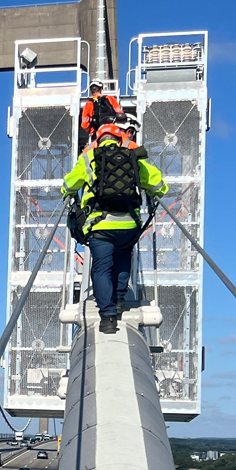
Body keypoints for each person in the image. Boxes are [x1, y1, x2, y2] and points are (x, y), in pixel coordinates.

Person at [62, 122, 167, 334]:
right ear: (119, 140)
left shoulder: (88, 158)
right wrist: (155, 193)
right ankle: (119, 300)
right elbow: (159, 184)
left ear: (97, 140)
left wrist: (69, 194)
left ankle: (108, 318)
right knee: (122, 259)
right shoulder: (132, 157)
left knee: (102, 268)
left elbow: (68, 185)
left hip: (100, 225)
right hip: (129, 224)